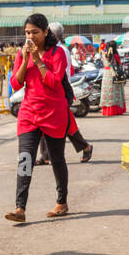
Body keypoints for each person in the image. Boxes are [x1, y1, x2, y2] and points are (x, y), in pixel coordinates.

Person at [6, 13, 70, 224]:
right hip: (29, 114)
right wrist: (25, 60)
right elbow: (16, 84)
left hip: (54, 113)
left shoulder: (57, 53)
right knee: (25, 160)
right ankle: (19, 207)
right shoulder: (21, 53)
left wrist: (37, 60)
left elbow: (53, 81)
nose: (30, 36)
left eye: (34, 32)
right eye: (27, 32)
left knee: (57, 159)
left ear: (45, 32)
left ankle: (62, 201)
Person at [38, 22, 92, 164]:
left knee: (66, 124)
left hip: (59, 93)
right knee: (49, 124)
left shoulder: (60, 50)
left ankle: (84, 146)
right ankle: (46, 155)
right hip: (52, 92)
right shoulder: (53, 49)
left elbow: (62, 75)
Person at [99, 40, 126, 117]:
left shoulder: (104, 54)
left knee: (108, 93)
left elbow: (106, 62)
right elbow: (119, 64)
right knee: (116, 93)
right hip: (115, 74)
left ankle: (108, 110)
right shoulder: (116, 55)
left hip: (107, 74)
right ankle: (117, 109)